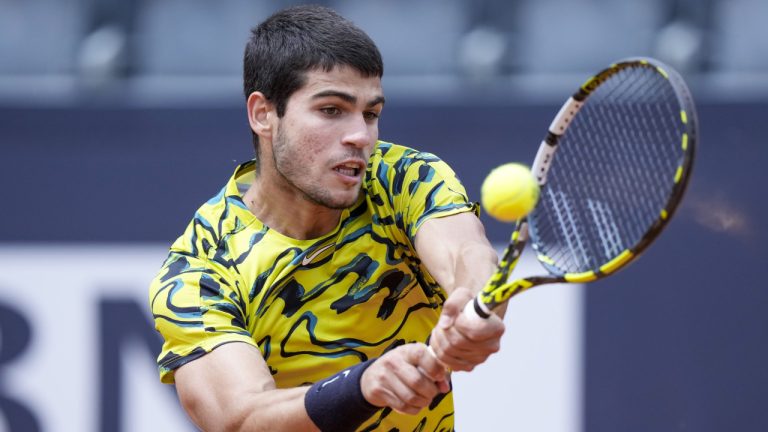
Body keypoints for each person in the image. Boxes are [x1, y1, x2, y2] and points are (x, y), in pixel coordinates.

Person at [148, 5, 505, 431]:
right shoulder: (201, 268)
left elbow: (466, 252)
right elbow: (240, 418)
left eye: (370, 114)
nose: (361, 136)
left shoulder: (403, 178)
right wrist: (362, 386)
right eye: (331, 110)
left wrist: (474, 306)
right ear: (263, 114)